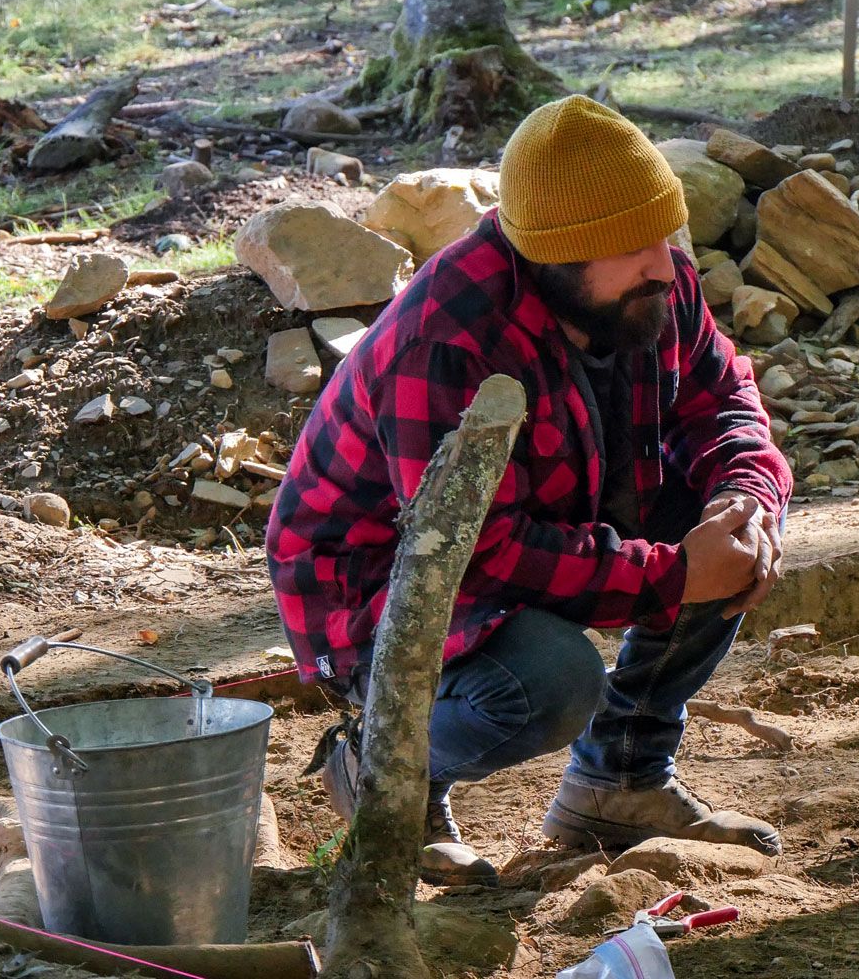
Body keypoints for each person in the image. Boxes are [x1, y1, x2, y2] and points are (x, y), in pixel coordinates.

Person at [267, 96, 793, 886]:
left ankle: (619, 781)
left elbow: (721, 398)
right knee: (547, 684)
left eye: (663, 235)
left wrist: (745, 499)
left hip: (537, 517)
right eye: (631, 249)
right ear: (556, 258)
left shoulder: (652, 277)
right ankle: (388, 777)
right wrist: (676, 576)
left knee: (731, 537)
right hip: (382, 576)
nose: (666, 264)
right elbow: (476, 555)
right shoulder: (449, 338)